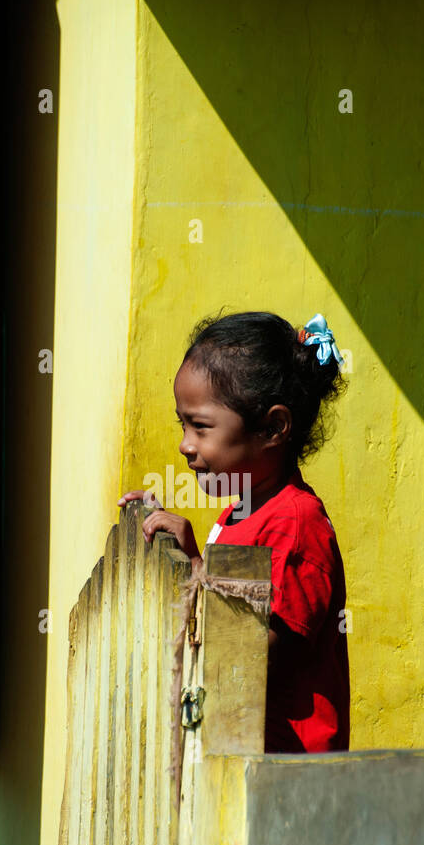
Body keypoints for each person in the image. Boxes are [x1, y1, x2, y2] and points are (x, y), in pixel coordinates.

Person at [118, 310, 350, 754]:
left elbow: (253, 656)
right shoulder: (238, 513)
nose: (185, 444)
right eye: (181, 424)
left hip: (284, 776)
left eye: (200, 426)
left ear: (272, 427)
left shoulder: (296, 526)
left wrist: (196, 566)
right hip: (234, 766)